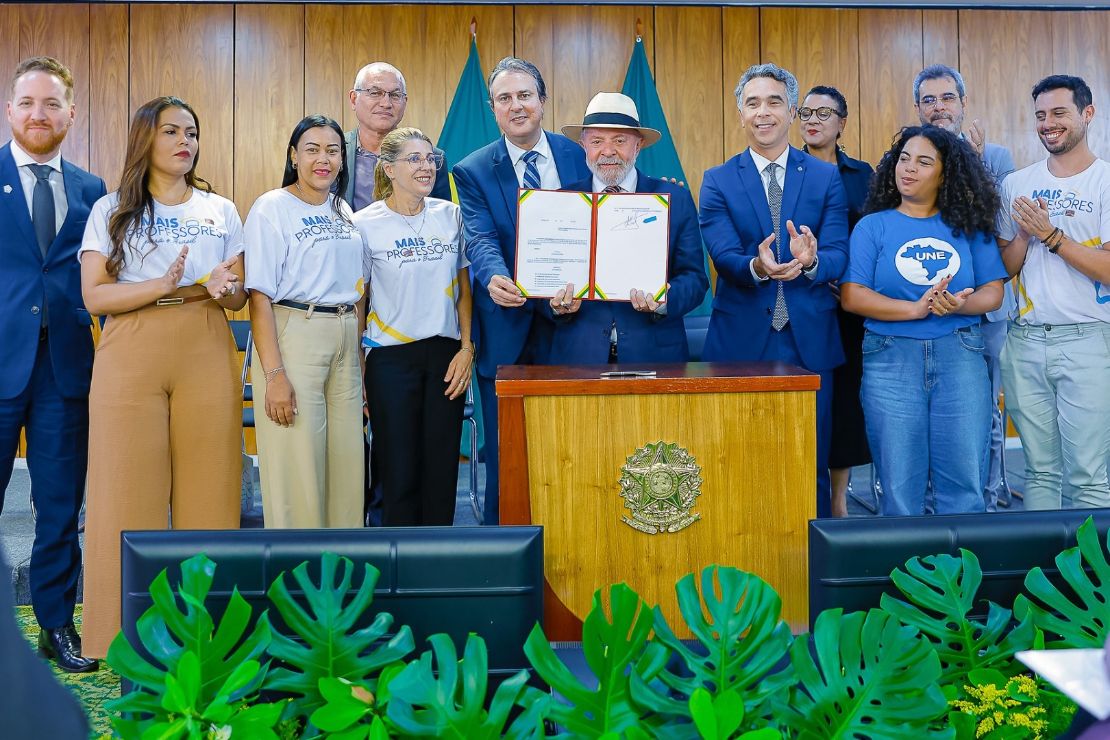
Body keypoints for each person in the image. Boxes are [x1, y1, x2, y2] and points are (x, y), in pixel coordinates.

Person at [80, 96, 246, 658]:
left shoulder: (220, 209)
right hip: (130, 347)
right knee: (125, 490)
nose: (185, 141)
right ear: (145, 139)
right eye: (172, 131)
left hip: (204, 340)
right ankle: (116, 636)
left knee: (212, 492)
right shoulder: (110, 209)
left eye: (192, 132)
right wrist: (163, 285)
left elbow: (239, 294)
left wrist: (227, 290)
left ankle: (207, 640)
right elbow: (95, 295)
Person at [698, 63, 849, 519]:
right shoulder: (718, 179)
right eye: (753, 103)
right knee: (736, 460)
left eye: (774, 102)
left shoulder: (825, 177)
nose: (763, 112)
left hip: (810, 341)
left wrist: (813, 262)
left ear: (791, 113)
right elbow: (722, 254)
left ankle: (814, 567)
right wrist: (757, 267)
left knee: (810, 463)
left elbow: (841, 253)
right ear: (740, 114)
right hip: (740, 342)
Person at [841, 125, 1007, 516]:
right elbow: (852, 295)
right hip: (889, 359)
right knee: (898, 490)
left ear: (945, 174)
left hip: (961, 355)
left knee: (964, 487)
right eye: (903, 159)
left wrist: (958, 305)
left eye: (923, 161)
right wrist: (915, 309)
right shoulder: (872, 226)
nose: (908, 169)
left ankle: (960, 578)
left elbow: (992, 292)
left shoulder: (969, 227)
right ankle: (903, 577)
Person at [0, 56, 105, 672]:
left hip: (66, 369)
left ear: (70, 113)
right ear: (11, 110)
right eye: (28, 103)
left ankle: (56, 624)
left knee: (60, 506)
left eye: (52, 104)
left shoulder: (93, 190)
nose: (39, 114)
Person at [452, 57, 590, 524]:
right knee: (506, 454)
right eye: (504, 98)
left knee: (571, 451)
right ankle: (501, 557)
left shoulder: (580, 155)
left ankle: (569, 543)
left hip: (573, 326)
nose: (516, 106)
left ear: (543, 102)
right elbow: (481, 236)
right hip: (505, 325)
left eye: (525, 95)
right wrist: (492, 276)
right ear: (493, 108)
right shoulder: (472, 170)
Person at [244, 114, 366, 528]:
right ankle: (298, 580)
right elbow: (257, 296)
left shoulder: (343, 209)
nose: (323, 159)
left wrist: (361, 363)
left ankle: (341, 580)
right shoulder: (272, 207)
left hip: (345, 337)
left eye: (333, 150)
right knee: (298, 469)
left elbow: (358, 287)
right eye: (312, 149)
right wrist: (274, 374)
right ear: (294, 156)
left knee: (348, 469)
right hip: (296, 334)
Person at [997, 75, 1110, 510]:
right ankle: (1038, 577)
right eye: (1041, 115)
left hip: (1089, 342)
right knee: (1039, 472)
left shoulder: (1103, 182)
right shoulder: (1017, 184)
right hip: (1024, 341)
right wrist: (1025, 237)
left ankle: (1092, 578)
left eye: (1059, 113)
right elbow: (1004, 270)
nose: (1048, 123)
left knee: (1087, 475)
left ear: (1087, 114)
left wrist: (1052, 235)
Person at [353, 127, 472, 525]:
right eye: (414, 159)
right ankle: (396, 566)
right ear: (388, 167)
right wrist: (359, 366)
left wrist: (467, 350)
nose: (426, 167)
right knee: (397, 468)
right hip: (389, 359)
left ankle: (437, 565)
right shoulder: (364, 223)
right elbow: (359, 301)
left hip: (445, 355)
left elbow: (464, 293)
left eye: (430, 159)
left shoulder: (451, 215)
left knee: (441, 467)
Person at [913, 64, 1016, 511]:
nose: (939, 107)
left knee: (985, 412)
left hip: (986, 310)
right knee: (933, 412)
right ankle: (934, 501)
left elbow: (998, 230)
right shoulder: (910, 157)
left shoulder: (995, 157)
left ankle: (989, 498)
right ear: (918, 108)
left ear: (963, 104)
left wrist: (971, 166)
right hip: (930, 309)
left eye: (947, 98)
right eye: (929, 100)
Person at [549, 93, 707, 362]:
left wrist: (665, 299)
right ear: (583, 145)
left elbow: (695, 279)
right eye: (597, 141)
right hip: (578, 357)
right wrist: (554, 305)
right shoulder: (562, 202)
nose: (608, 151)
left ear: (638, 145)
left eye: (619, 141)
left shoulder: (674, 200)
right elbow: (544, 280)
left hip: (655, 355)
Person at [798, 85, 875, 518]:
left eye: (824, 113)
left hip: (846, 309)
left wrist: (846, 280)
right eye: (806, 112)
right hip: (796, 300)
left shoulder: (863, 176)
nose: (813, 120)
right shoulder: (785, 169)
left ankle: (839, 500)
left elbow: (873, 239)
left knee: (842, 403)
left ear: (842, 122)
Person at [344, 62, 450, 210]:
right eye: (375, 93)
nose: (386, 103)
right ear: (354, 99)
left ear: (404, 102)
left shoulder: (432, 158)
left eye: (395, 95)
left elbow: (441, 219)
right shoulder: (335, 152)